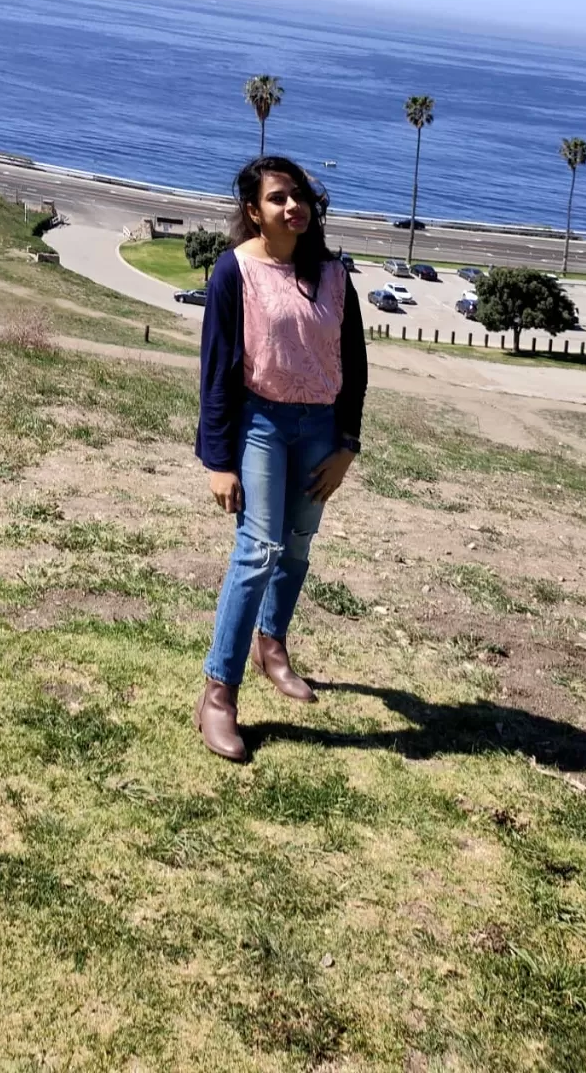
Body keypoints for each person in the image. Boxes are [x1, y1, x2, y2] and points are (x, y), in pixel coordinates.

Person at [193, 156, 367, 761]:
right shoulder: (233, 272)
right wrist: (219, 459)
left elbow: (355, 368)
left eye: (298, 196)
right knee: (259, 549)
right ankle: (218, 694)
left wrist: (347, 444)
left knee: (297, 545)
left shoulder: (335, 276)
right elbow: (216, 370)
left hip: (319, 427)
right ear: (253, 212)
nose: (292, 206)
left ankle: (274, 646)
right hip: (261, 423)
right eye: (277, 198)